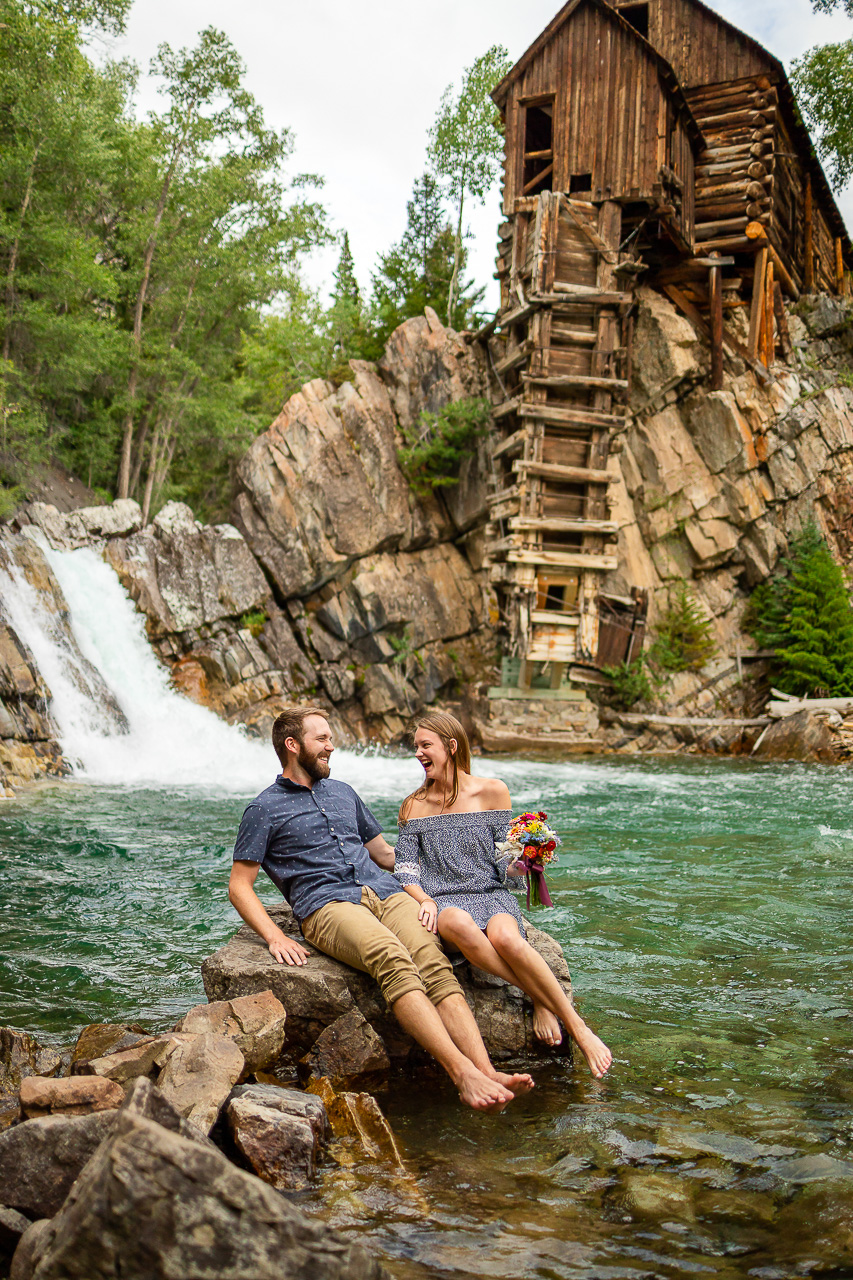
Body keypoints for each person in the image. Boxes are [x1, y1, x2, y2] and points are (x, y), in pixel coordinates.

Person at [228, 705, 534, 1112]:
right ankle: (462, 1075)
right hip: (327, 905)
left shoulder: (343, 793)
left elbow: (387, 855)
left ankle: (487, 1071)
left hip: (385, 892)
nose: (331, 747)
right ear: (292, 745)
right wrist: (275, 935)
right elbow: (239, 886)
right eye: (322, 740)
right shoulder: (263, 809)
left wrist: (459, 874)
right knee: (391, 957)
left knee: (431, 956)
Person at [394, 711, 612, 1079]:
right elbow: (405, 869)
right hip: (444, 899)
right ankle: (561, 1013)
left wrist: (524, 861)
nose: (418, 753)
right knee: (461, 925)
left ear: (451, 746)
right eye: (416, 746)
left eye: (425, 745)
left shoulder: (493, 790)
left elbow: (503, 863)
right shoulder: (413, 805)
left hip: (491, 893)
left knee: (507, 938)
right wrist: (425, 899)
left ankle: (569, 1019)